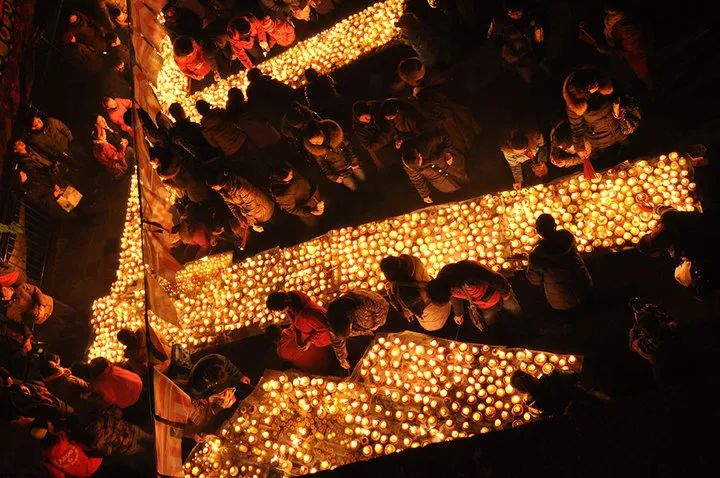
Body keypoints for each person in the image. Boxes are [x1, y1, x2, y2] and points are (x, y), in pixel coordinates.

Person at [397, 57, 480, 153]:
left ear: (411, 82)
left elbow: (437, 119)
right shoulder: (438, 75)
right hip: (467, 115)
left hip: (455, 126)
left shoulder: (425, 98)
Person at [428, 260, 520, 331]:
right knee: (491, 320)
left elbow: (496, 279)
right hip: (483, 306)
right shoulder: (444, 282)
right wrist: (458, 314)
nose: (451, 296)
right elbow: (455, 297)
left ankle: (519, 322)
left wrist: (506, 296)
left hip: (498, 296)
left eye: (449, 295)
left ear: (449, 289)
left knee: (513, 309)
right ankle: (499, 331)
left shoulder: (469, 271)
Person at [562, 68, 635, 158]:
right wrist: (579, 148)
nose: (596, 85)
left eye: (596, 83)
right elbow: (576, 128)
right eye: (592, 86)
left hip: (619, 132)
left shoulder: (604, 86)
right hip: (599, 141)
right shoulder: (575, 103)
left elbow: (621, 97)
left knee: (630, 157)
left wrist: (619, 110)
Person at [526, 214, 593, 311]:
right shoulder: (567, 237)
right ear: (555, 225)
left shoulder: (536, 256)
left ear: (538, 231)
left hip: (562, 300)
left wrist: (530, 264)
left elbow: (535, 281)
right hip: (584, 287)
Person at [266, 291, 333, 374]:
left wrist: (309, 341)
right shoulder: (292, 296)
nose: (280, 313)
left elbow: (324, 328)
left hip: (324, 337)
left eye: (279, 310)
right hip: (316, 334)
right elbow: (294, 320)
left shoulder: (306, 314)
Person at [381, 254, 451, 331]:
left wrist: (390, 293)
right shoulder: (414, 261)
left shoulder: (406, 293)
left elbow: (407, 313)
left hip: (433, 318)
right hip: (443, 300)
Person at [596, 0, 653, 91]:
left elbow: (627, 52)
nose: (608, 14)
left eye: (611, 13)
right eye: (607, 12)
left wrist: (606, 50)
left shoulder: (627, 30)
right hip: (628, 52)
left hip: (636, 57)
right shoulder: (614, 19)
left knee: (645, 75)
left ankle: (653, 89)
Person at [326, 290, 389, 369]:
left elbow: (382, 306)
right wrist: (342, 358)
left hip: (376, 323)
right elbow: (337, 340)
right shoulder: (333, 322)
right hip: (364, 329)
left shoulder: (365, 302)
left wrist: (376, 324)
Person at [401, 130, 468, 204]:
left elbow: (445, 136)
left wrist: (447, 152)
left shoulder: (427, 141)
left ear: (419, 155)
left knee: (468, 180)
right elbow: (416, 179)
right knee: (455, 198)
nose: (422, 166)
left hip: (454, 168)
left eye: (421, 163)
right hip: (444, 184)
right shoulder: (409, 164)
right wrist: (425, 195)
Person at [487, 0, 544, 83]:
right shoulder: (502, 24)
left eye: (518, 12)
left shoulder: (529, 15)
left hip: (528, 48)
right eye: (512, 14)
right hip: (520, 54)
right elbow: (492, 37)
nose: (516, 16)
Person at [511, 370, 606, 417]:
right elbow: (575, 376)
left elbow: (545, 415)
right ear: (531, 375)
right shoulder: (552, 377)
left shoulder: (533, 406)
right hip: (585, 401)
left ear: (521, 391)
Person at [302, 119, 365, 190]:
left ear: (321, 132)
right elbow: (323, 166)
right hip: (340, 173)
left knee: (363, 178)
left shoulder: (336, 135)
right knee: (353, 186)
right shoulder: (316, 151)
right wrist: (334, 177)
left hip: (352, 165)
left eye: (317, 140)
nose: (317, 143)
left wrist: (354, 161)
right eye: (313, 143)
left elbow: (349, 148)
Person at [30, 419, 103, 478]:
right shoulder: (64, 438)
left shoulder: (46, 455)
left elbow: (59, 474)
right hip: (92, 465)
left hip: (82, 475)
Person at [207, 170, 276, 233]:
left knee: (274, 228)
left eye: (213, 186)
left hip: (264, 210)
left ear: (221, 182)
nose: (212, 188)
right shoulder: (222, 191)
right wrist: (240, 218)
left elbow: (251, 203)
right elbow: (230, 205)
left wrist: (249, 218)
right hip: (254, 216)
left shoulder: (239, 186)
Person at [72, 357, 142, 409]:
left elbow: (110, 400)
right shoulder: (99, 361)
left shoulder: (98, 385)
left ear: (83, 377)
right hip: (135, 380)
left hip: (130, 396)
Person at [351, 100, 394, 170]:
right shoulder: (358, 129)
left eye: (367, 115)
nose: (366, 119)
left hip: (394, 142)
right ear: (357, 118)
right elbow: (369, 146)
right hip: (383, 151)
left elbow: (390, 121)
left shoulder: (377, 113)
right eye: (362, 118)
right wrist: (387, 134)